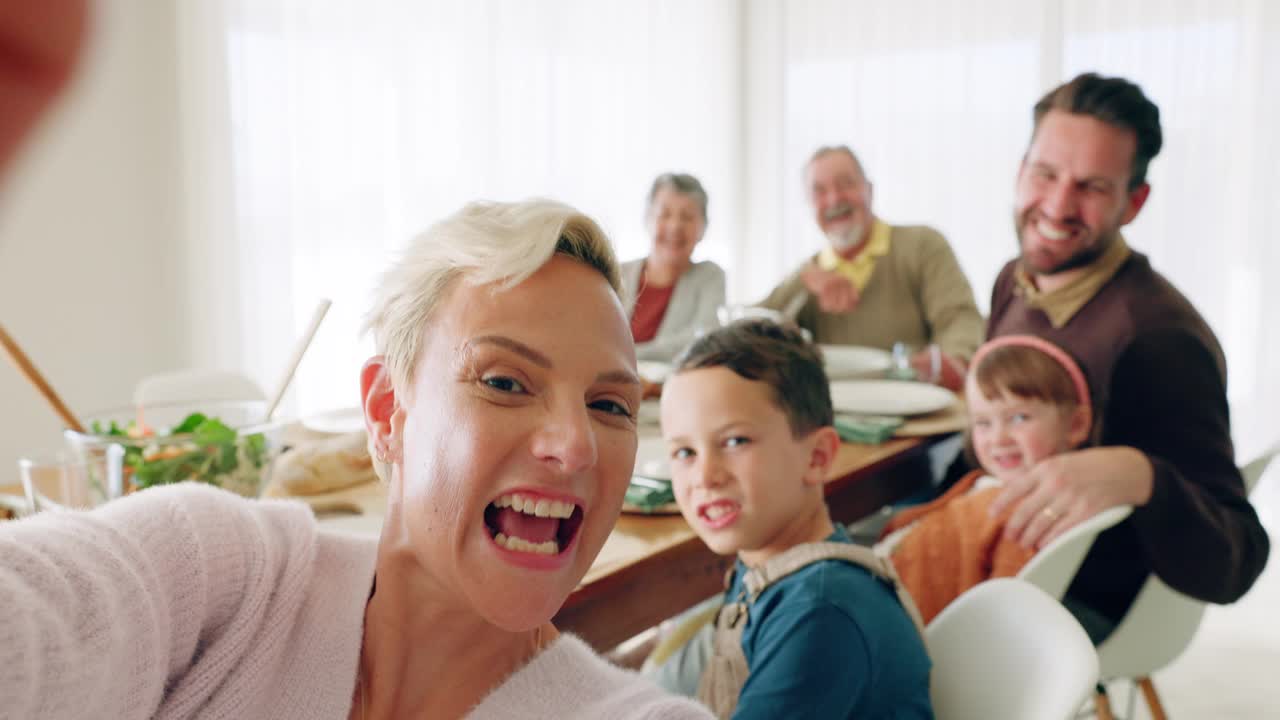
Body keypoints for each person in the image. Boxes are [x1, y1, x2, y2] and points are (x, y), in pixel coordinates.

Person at [0, 199, 713, 719]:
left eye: (610, 405)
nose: (576, 444)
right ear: (386, 412)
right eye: (503, 382)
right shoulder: (226, 576)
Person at [979, 72, 1269, 641]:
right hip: (995, 551)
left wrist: (1141, 476)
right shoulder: (1012, 282)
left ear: (1134, 203)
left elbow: (1238, 556)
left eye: (1091, 186)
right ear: (1020, 172)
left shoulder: (1158, 339)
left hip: (1071, 607)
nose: (1058, 206)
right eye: (1045, 174)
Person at [658, 319, 932, 719]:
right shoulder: (767, 571)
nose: (704, 476)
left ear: (817, 457)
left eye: (735, 441)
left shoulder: (822, 614)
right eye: (685, 452)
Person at [876, 335, 1093, 623]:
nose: (998, 438)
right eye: (983, 422)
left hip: (917, 625)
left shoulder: (1026, 515)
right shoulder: (993, 488)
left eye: (1019, 418)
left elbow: (1004, 612)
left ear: (1076, 424)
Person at [757, 146, 983, 390]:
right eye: (819, 191)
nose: (834, 199)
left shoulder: (922, 245)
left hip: (914, 402)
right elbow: (751, 334)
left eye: (846, 184)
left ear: (870, 190)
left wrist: (952, 361)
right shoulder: (806, 277)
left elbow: (958, 318)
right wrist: (804, 280)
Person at [621, 173, 726, 363]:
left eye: (687, 217)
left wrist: (624, 356)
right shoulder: (616, 274)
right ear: (647, 220)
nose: (675, 226)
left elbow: (703, 341)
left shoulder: (710, 276)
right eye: (665, 214)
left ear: (703, 228)